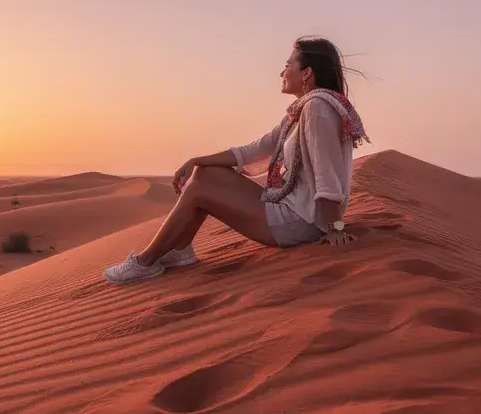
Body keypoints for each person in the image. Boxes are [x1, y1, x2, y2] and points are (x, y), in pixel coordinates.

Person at [103, 36, 370, 284]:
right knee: (205, 175)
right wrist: (197, 161)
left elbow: (328, 176)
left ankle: (145, 262)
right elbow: (255, 150)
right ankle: (179, 250)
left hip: (303, 223)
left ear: (307, 73)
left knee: (200, 189)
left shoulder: (317, 109)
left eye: (288, 65)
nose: (282, 72)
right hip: (295, 213)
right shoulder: (301, 111)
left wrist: (334, 229)